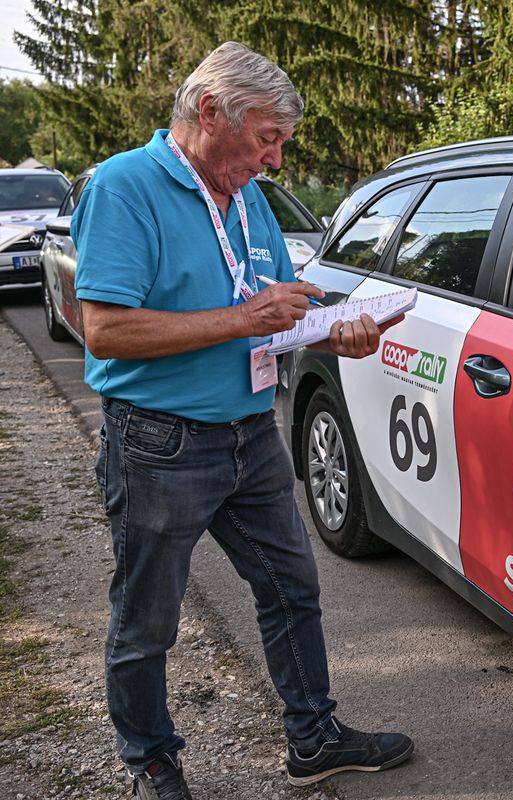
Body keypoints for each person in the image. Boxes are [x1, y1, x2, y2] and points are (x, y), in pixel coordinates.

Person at [73, 42, 412, 799]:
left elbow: (276, 305)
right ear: (210, 114)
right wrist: (239, 319)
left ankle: (313, 738)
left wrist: (336, 327)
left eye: (281, 143)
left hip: (251, 432)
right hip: (160, 441)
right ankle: (151, 760)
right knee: (147, 620)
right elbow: (105, 331)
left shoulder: (245, 194)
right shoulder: (125, 185)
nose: (276, 161)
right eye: (268, 139)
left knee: (292, 587)